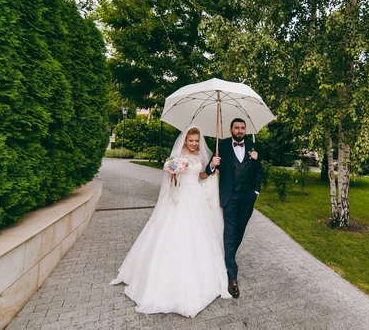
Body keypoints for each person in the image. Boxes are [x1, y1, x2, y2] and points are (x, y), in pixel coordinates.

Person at [110, 126, 231, 317]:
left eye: (197, 140)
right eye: (191, 140)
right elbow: (171, 181)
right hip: (180, 197)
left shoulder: (200, 155)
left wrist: (212, 167)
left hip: (196, 196)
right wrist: (174, 174)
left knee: (199, 235)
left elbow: (201, 176)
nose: (194, 144)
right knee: (173, 232)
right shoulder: (177, 155)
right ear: (185, 140)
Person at [206, 118, 262, 299]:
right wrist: (212, 164)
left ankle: (228, 257)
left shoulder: (253, 145)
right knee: (229, 233)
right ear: (230, 129)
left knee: (240, 230)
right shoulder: (221, 145)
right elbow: (211, 169)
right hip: (230, 195)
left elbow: (258, 169)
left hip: (247, 196)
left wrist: (256, 190)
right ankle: (232, 277)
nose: (240, 130)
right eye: (237, 128)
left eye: (242, 128)